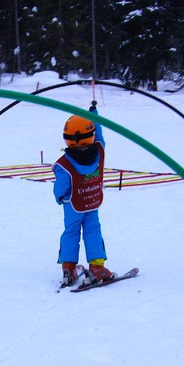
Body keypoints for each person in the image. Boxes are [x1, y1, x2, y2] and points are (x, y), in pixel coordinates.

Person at [53, 101, 114, 286]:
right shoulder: (99, 151)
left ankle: (68, 267)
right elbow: (100, 135)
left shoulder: (64, 164)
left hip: (73, 204)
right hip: (92, 201)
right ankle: (97, 266)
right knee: (93, 230)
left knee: (71, 232)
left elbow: (61, 187)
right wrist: (94, 116)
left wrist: (59, 197)